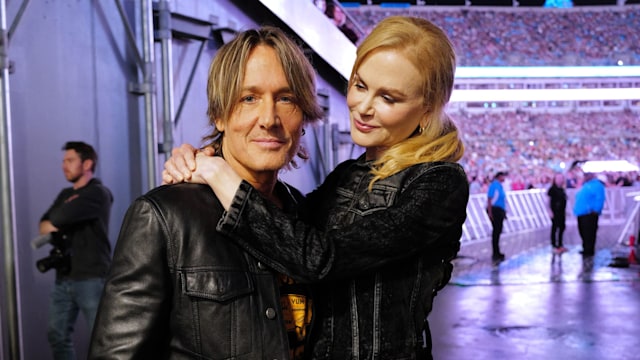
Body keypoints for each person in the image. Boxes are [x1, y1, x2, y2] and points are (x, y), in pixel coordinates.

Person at [163, 16, 469, 359]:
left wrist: (219, 173)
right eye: (360, 85)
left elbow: (318, 258)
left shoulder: (438, 183)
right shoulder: (348, 175)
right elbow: (283, 229)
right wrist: (201, 156)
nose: (364, 108)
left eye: (388, 98)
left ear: (428, 110)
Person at [88, 26, 323, 359]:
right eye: (249, 98)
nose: (269, 118)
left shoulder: (307, 216)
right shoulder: (164, 217)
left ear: (304, 115)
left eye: (286, 98)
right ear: (219, 115)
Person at [39, 141, 113, 360]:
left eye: (70, 160)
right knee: (57, 335)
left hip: (91, 277)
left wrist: (58, 221)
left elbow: (58, 218)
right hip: (64, 278)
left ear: (87, 163)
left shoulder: (98, 193)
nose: (64, 166)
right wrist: (57, 220)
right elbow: (43, 224)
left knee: (101, 340)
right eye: (63, 161)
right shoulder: (65, 194)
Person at [573, 171, 606, 257]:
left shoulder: (597, 185)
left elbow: (600, 198)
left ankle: (589, 250)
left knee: (589, 233)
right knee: (583, 232)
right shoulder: (586, 185)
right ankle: (586, 248)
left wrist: (596, 209)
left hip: (589, 214)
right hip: (582, 213)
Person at [487, 171, 507, 263]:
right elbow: (489, 199)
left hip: (500, 211)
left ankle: (497, 251)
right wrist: (490, 213)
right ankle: (495, 252)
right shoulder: (494, 185)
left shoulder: (500, 186)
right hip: (495, 210)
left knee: (498, 231)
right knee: (496, 231)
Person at [547, 173, 567, 253]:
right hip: (555, 212)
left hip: (561, 212)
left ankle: (560, 244)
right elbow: (547, 201)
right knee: (555, 228)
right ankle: (554, 245)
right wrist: (550, 211)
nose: (559, 180)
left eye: (561, 178)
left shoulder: (562, 189)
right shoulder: (552, 189)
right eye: (558, 178)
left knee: (561, 228)